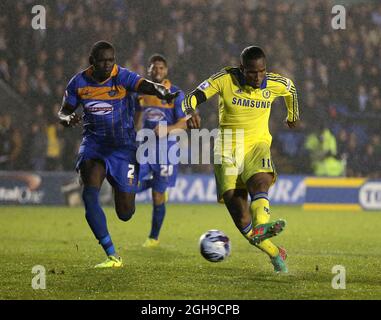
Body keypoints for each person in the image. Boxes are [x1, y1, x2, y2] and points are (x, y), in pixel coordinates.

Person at [58, 41, 178, 268]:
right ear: (91, 61)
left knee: (125, 212)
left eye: (111, 60)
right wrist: (67, 119)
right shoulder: (78, 82)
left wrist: (161, 89)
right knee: (89, 195)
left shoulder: (120, 76)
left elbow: (144, 84)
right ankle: (112, 254)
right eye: (103, 60)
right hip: (94, 144)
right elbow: (64, 111)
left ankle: (124, 182)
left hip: (123, 147)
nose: (108, 65)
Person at [183, 46, 300, 273]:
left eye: (261, 72)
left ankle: (263, 226)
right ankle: (275, 253)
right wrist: (190, 112)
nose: (258, 77)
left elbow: (290, 89)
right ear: (241, 69)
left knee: (260, 183)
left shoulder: (275, 83)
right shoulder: (225, 78)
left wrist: (292, 115)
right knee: (241, 219)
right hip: (227, 149)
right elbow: (191, 97)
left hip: (257, 145)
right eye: (252, 73)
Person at [134, 54, 186, 248]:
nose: (157, 71)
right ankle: (156, 184)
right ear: (148, 70)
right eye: (154, 68)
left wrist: (167, 130)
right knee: (129, 187)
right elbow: (137, 118)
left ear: (166, 71)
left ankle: (153, 237)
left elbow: (183, 124)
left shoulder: (175, 93)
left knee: (157, 196)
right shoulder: (140, 93)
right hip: (144, 149)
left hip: (166, 151)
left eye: (161, 68)